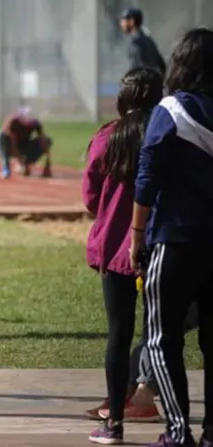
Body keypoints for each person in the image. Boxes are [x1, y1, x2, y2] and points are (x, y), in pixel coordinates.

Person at [130, 27, 213, 447]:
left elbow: (147, 178)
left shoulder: (170, 111)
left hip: (174, 240)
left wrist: (136, 235)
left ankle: (179, 432)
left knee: (162, 338)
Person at [80, 67, 164, 445]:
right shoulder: (166, 132)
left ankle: (113, 423)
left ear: (124, 98)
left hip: (115, 249)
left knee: (119, 332)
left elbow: (90, 197)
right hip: (159, 246)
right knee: (161, 331)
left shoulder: (107, 137)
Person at [0, 106, 53, 179]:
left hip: (23, 145)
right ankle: (6, 167)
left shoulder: (35, 124)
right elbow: (12, 143)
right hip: (8, 146)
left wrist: (48, 163)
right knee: (0, 135)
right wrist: (20, 161)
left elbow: (43, 141)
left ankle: (27, 163)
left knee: (48, 140)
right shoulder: (12, 121)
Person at [119, 8, 166, 77]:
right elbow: (162, 65)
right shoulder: (148, 40)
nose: (121, 23)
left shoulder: (136, 43)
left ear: (132, 21)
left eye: (123, 20)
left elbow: (140, 70)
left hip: (141, 84)